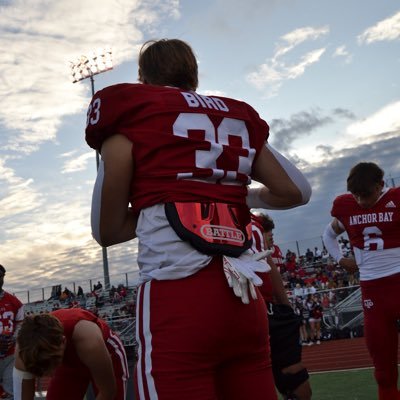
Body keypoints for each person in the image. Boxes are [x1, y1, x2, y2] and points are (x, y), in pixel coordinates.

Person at [85, 38, 311, 400]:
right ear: (194, 76)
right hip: (243, 298)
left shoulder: (133, 116)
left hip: (177, 297)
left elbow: (106, 231)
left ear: (144, 78)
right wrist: (239, 194)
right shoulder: (235, 117)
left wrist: (160, 205)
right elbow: (297, 191)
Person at [322, 162, 400, 400]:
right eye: (355, 195)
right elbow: (329, 234)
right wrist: (340, 259)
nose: (360, 201)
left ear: (380, 185)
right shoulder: (346, 206)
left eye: (365, 195)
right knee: (383, 369)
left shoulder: (396, 199)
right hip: (372, 291)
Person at [251, 213, 312, 400]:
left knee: (297, 384)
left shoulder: (254, 227)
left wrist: (285, 307)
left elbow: (270, 267)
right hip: (245, 308)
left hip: (268, 308)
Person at [13, 308, 128, 400]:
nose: (50, 375)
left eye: (52, 364)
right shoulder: (23, 352)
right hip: (68, 363)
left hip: (105, 352)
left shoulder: (88, 340)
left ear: (63, 341)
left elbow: (108, 392)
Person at [0, 264, 24, 400]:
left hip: (9, 355)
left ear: (3, 277)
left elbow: (20, 324)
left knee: (12, 391)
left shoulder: (15, 302)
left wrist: (13, 339)